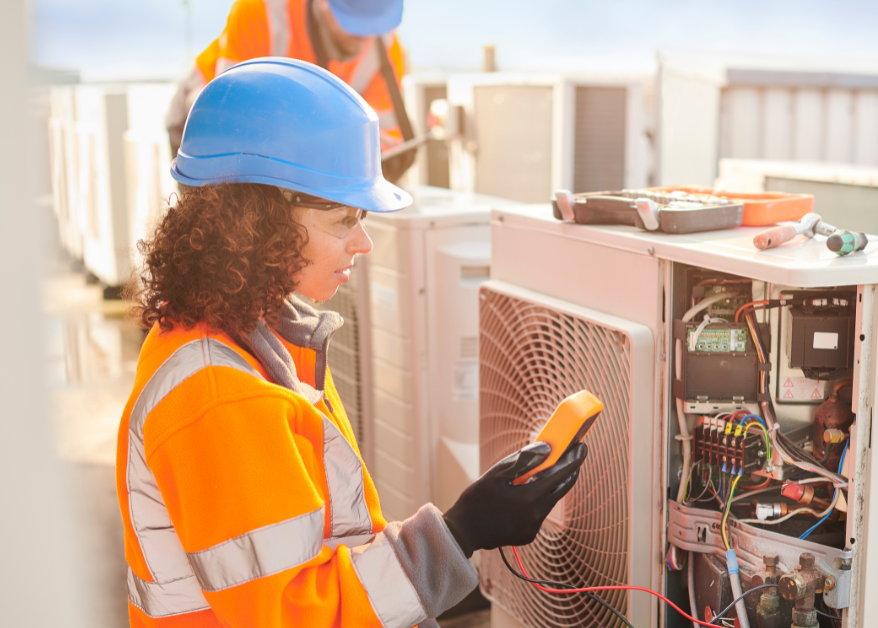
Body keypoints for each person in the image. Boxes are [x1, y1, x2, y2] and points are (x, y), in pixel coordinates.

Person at [118, 57, 588, 627]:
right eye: (343, 218)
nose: (362, 242)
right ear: (253, 222)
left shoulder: (250, 338)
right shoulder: (220, 392)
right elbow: (300, 616)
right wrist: (463, 531)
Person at [165, 0, 408, 157]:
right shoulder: (260, 10)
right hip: (201, 114)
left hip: (301, 140)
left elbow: (387, 141)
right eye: (351, 21)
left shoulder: (387, 49)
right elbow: (228, 122)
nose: (362, 33)